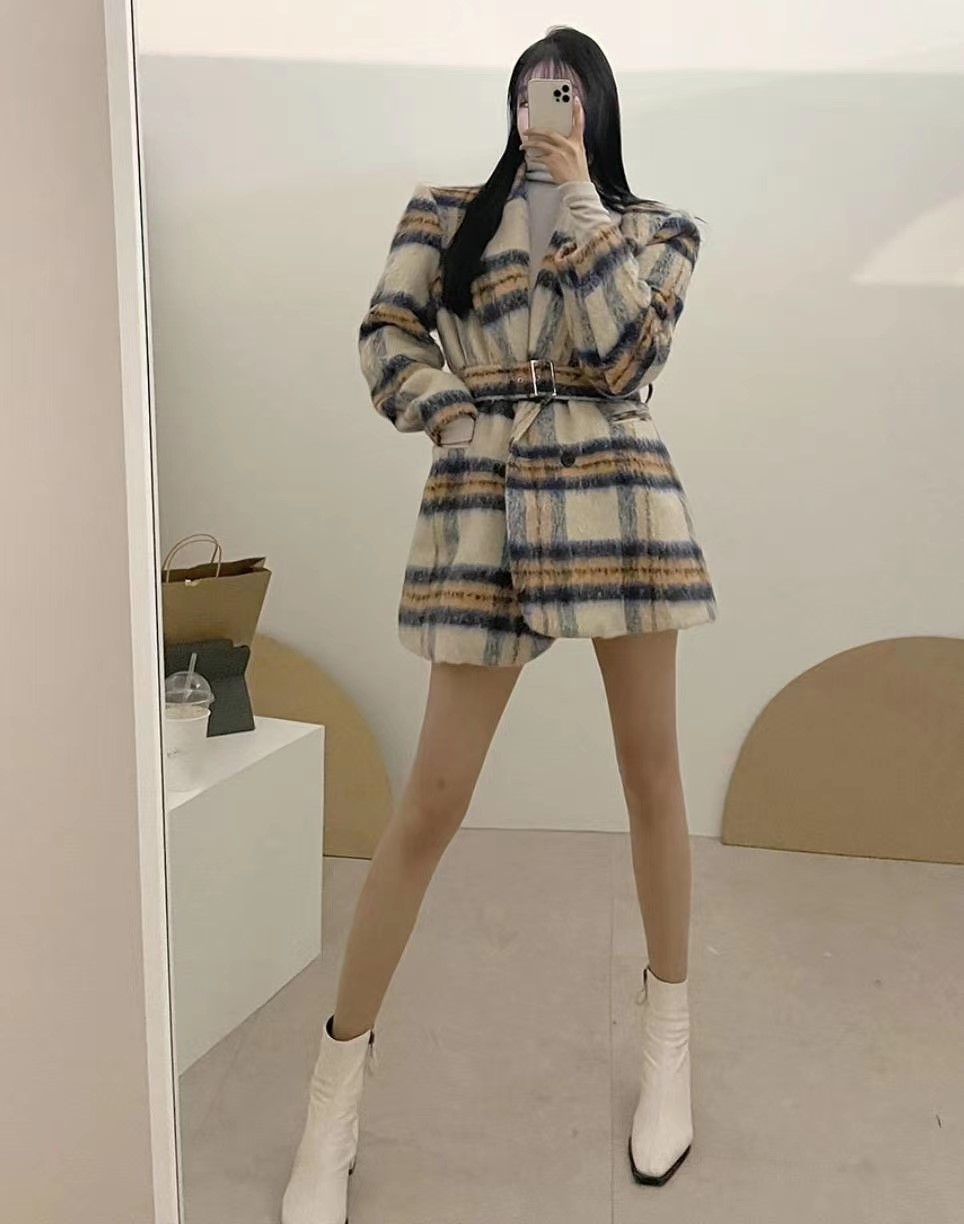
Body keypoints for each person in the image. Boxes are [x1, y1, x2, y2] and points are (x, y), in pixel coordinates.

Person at [281, 25, 718, 1224]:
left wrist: (581, 208)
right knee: (430, 801)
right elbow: (386, 334)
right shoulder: (443, 214)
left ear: (595, 105)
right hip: (485, 506)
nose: (543, 103)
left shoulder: (657, 230)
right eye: (529, 87)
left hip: (620, 497)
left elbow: (627, 358)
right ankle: (332, 1097)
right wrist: (450, 415)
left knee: (652, 779)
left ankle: (669, 1046)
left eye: (564, 89)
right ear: (510, 100)